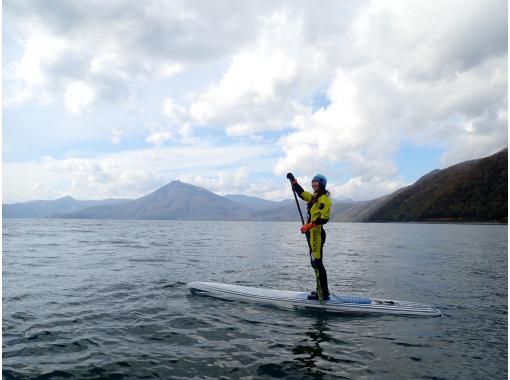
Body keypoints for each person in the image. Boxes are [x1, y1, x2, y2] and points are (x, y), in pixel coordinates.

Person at [287, 172, 331, 301]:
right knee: (314, 263)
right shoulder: (313, 197)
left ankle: (323, 293)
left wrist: (309, 226)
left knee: (317, 263)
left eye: (316, 181)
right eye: (312, 181)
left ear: (322, 184)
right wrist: (293, 181)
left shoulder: (324, 199)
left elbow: (324, 219)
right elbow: (301, 193)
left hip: (317, 234)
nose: (313, 183)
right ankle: (321, 290)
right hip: (311, 234)